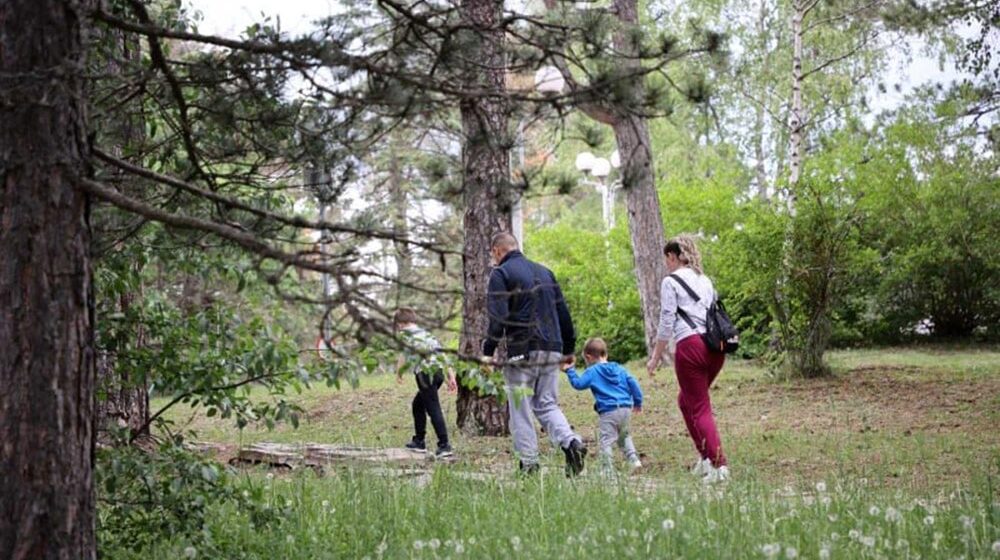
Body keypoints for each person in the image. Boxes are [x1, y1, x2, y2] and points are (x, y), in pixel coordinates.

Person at [483, 232, 587, 476]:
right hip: (553, 348)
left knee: (520, 406)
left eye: (493, 255)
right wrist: (569, 349)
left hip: (523, 351)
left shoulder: (501, 274)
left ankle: (529, 464)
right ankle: (571, 443)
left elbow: (498, 318)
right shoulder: (545, 272)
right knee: (547, 403)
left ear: (498, 251)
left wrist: (488, 351)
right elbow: (563, 314)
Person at [646, 234, 729, 483]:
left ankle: (719, 466)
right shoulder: (705, 280)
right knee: (686, 401)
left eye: (667, 260)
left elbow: (666, 322)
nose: (666, 265)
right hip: (716, 349)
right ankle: (705, 458)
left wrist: (655, 356)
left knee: (699, 406)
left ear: (672, 256)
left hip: (691, 347)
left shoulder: (670, 282)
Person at [563, 338, 643, 471]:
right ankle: (634, 461)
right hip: (625, 408)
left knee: (606, 440)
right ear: (605, 354)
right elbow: (633, 383)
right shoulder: (619, 368)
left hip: (608, 411)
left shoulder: (592, 371)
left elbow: (578, 384)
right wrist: (638, 402)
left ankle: (607, 469)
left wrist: (570, 371)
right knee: (624, 436)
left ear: (588, 357)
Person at [395, 308, 457, 459]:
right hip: (438, 373)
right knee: (418, 405)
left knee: (433, 408)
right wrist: (451, 376)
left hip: (425, 374)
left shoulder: (404, 334)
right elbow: (442, 354)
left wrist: (399, 372)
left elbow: (403, 355)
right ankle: (419, 441)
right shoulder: (427, 334)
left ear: (400, 324)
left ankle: (444, 445)